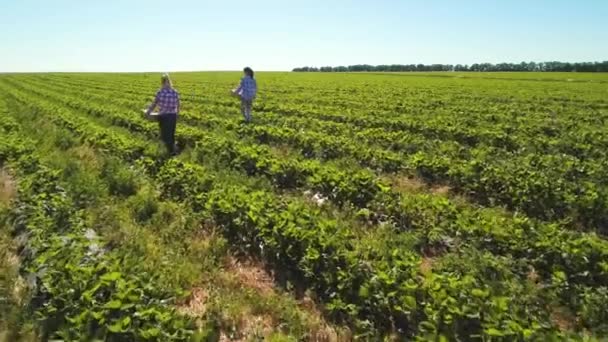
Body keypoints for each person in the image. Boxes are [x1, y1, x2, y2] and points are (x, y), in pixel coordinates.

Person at [146, 73, 180, 155]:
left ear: (162, 82)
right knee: (171, 133)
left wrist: (148, 112)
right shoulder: (175, 92)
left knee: (165, 134)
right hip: (173, 116)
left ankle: (168, 152)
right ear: (169, 81)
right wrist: (177, 113)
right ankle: (173, 150)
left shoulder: (160, 92)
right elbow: (178, 104)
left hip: (164, 116)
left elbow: (154, 103)